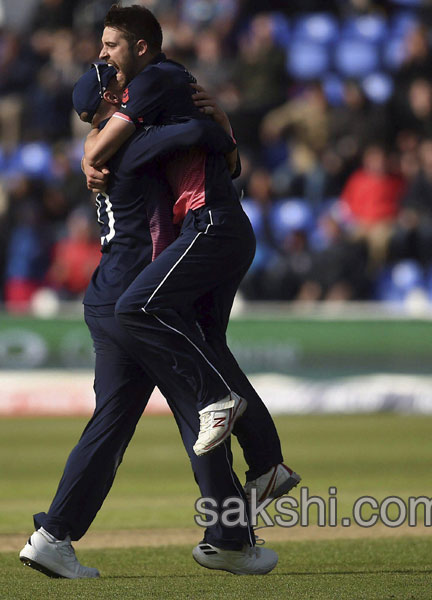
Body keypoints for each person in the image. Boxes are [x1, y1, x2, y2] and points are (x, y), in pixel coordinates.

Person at [20, 62, 276, 581]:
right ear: (110, 107)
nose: (129, 96)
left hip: (109, 297)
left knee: (112, 424)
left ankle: (53, 537)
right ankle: (231, 536)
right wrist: (221, 121)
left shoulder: (108, 149)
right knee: (201, 413)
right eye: (119, 93)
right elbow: (202, 132)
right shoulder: (133, 147)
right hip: (136, 303)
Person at [83, 4, 297, 571]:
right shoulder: (155, 114)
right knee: (206, 343)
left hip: (213, 228)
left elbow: (110, 151)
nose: (104, 56)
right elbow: (216, 150)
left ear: (141, 50)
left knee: (139, 311)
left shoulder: (157, 82)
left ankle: (222, 409)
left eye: (110, 46)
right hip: (216, 228)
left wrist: (217, 130)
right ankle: (265, 467)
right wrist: (221, 133)